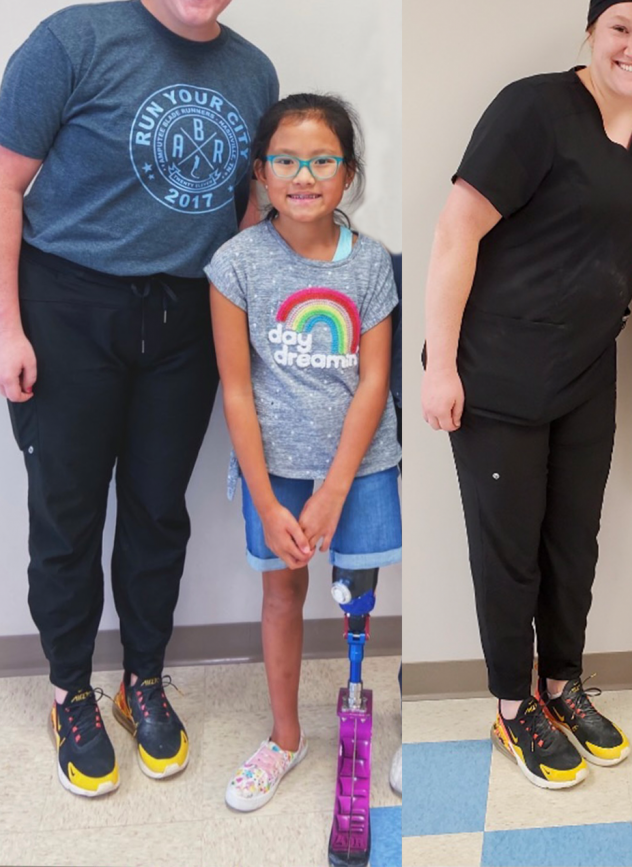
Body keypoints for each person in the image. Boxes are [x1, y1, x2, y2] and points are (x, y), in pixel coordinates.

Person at [0, 0, 278, 797]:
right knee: (65, 515)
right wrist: (4, 328)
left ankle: (143, 679)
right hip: (69, 308)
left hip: (183, 320)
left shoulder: (253, 71)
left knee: (156, 512)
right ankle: (71, 690)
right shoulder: (74, 40)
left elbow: (246, 217)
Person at [421, 0, 632, 789]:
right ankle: (511, 705)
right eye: (620, 28)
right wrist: (440, 365)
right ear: (591, 31)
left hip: (584, 371)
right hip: (494, 368)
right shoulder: (533, 109)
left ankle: (562, 686)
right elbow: (456, 232)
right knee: (510, 550)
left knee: (574, 541)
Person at [206, 93, 401, 812]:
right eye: (286, 160)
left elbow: (375, 381)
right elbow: (235, 391)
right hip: (275, 471)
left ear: (347, 174)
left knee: (358, 597)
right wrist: (267, 498)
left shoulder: (372, 263)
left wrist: (335, 490)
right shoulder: (235, 264)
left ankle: (381, 721)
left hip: (362, 467)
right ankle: (286, 737)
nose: (304, 175)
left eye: (323, 160)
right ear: (261, 172)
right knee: (281, 593)